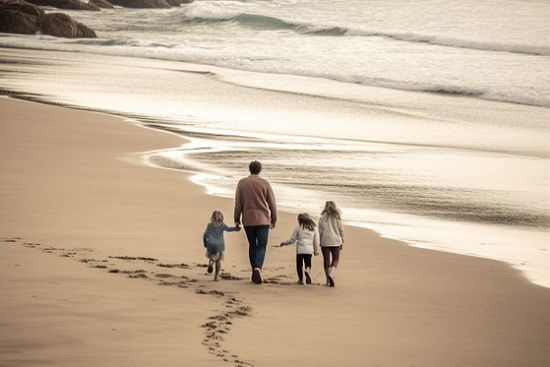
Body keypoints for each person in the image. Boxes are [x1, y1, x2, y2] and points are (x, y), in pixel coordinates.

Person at [234, 160, 277, 284]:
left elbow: (238, 203)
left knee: (252, 245)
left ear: (249, 169)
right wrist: (274, 219)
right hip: (263, 219)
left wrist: (236, 219)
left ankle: (254, 271)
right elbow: (272, 203)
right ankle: (258, 267)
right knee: (262, 245)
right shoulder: (265, 183)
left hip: (248, 220)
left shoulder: (242, 183)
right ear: (260, 170)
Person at [280, 213, 320, 285]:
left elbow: (292, 239)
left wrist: (284, 243)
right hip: (309, 250)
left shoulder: (298, 227)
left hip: (300, 250)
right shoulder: (314, 228)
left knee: (299, 265)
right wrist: (316, 250)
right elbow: (316, 240)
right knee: (308, 263)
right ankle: (307, 270)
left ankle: (301, 279)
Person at [203, 210, 240, 281]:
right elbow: (229, 229)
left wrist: (205, 242)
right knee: (218, 260)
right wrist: (236, 228)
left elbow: (205, 235)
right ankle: (216, 276)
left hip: (210, 244)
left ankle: (211, 263)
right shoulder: (222, 225)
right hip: (219, 245)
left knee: (212, 257)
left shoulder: (209, 225)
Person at [318, 201, 344, 287]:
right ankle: (331, 273)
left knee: (326, 261)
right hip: (336, 241)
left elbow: (320, 231)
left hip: (325, 241)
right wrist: (342, 240)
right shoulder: (337, 217)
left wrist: (320, 241)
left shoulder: (321, 218)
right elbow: (341, 230)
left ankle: (327, 281)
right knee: (336, 260)